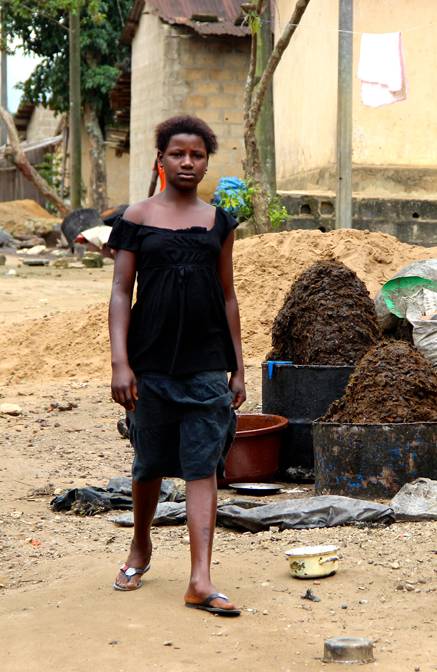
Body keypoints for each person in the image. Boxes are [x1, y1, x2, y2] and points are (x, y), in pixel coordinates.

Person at [107, 115, 246, 617]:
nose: (188, 162)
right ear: (160, 160)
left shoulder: (218, 222)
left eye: (198, 155)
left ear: (207, 162)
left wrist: (238, 367)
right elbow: (122, 292)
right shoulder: (136, 218)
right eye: (178, 154)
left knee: (202, 464)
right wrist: (121, 363)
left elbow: (228, 296)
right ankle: (140, 545)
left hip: (206, 364)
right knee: (148, 463)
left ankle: (199, 578)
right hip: (149, 364)